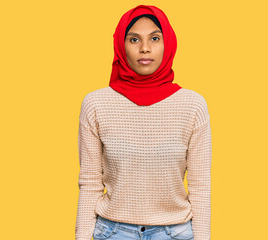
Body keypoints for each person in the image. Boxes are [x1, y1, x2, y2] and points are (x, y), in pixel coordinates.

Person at [75, 4, 212, 240]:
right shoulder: (96, 104)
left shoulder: (193, 105)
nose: (145, 48)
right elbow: (90, 183)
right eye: (134, 39)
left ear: (167, 43)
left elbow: (200, 188)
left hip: (176, 232)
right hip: (112, 232)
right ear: (121, 45)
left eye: (155, 38)